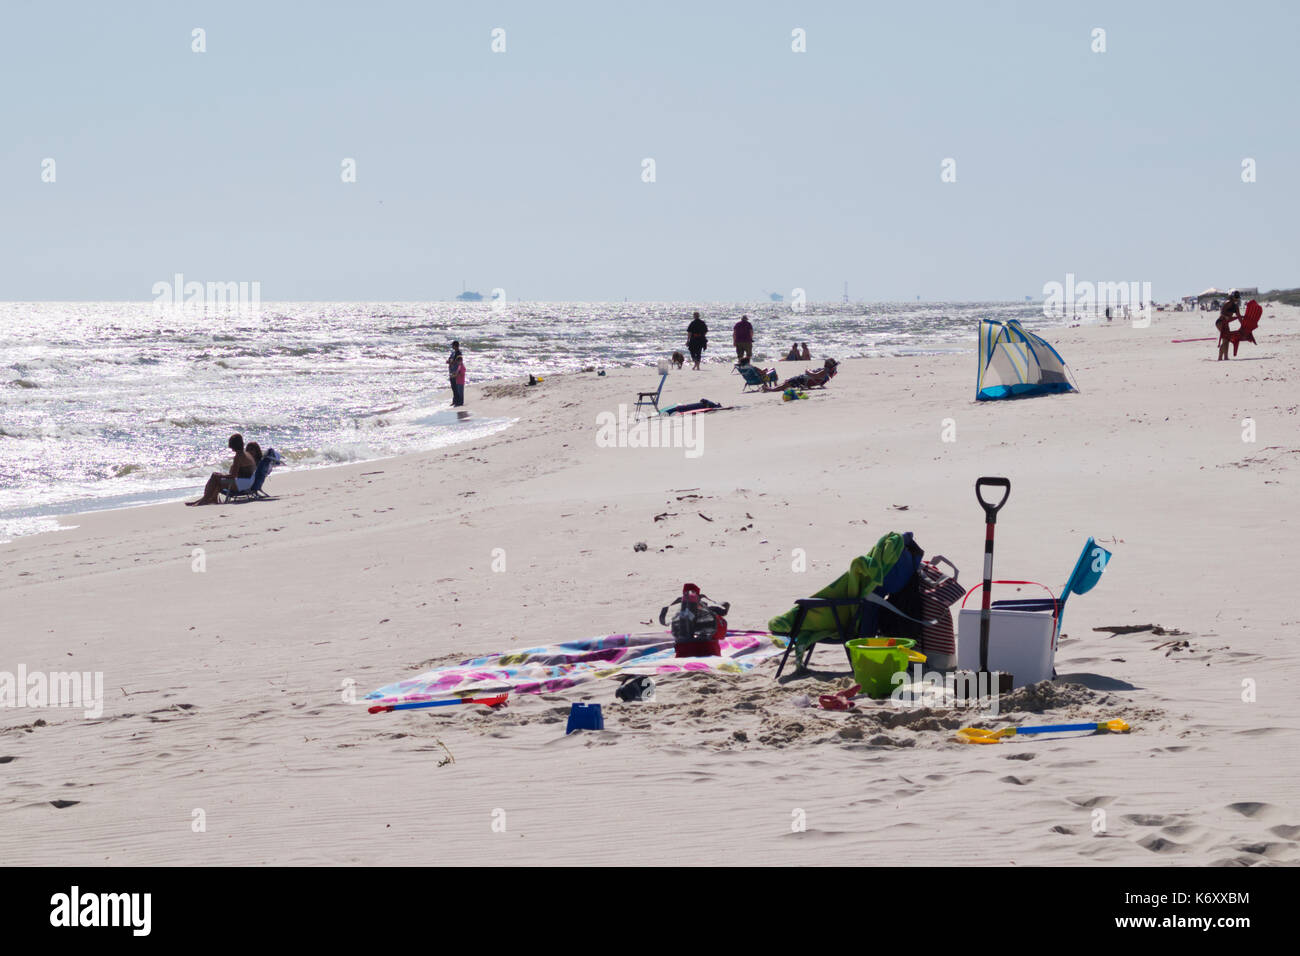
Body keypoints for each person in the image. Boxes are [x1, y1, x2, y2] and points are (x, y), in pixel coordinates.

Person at [187, 433, 256, 506]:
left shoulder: (238, 456)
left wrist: (221, 475)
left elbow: (233, 475)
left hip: (242, 484)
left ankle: (205, 500)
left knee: (214, 477)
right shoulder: (246, 453)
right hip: (248, 482)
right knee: (217, 478)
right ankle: (209, 499)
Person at [768, 358, 838, 391]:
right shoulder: (827, 374)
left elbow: (815, 375)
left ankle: (770, 389)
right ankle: (772, 388)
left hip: (804, 379)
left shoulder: (825, 370)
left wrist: (808, 371)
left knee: (786, 384)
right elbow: (818, 378)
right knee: (786, 383)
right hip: (806, 380)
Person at [1216, 291, 1242, 361]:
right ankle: (1220, 357)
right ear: (1232, 297)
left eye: (1237, 297)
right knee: (1226, 339)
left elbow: (1239, 316)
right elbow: (1222, 312)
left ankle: (1225, 357)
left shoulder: (1236, 306)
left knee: (1226, 339)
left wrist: (1243, 325)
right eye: (1235, 297)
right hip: (1220, 322)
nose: (1236, 299)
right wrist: (1225, 316)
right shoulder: (1228, 302)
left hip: (1226, 323)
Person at [448, 341, 466, 406]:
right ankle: (455, 401)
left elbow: (454, 362)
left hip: (455, 372)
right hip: (451, 371)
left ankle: (458, 401)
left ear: (455, 346)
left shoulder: (458, 353)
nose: (452, 346)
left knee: (456, 388)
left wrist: (451, 362)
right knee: (453, 387)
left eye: (453, 345)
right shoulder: (453, 353)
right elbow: (449, 360)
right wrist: (450, 361)